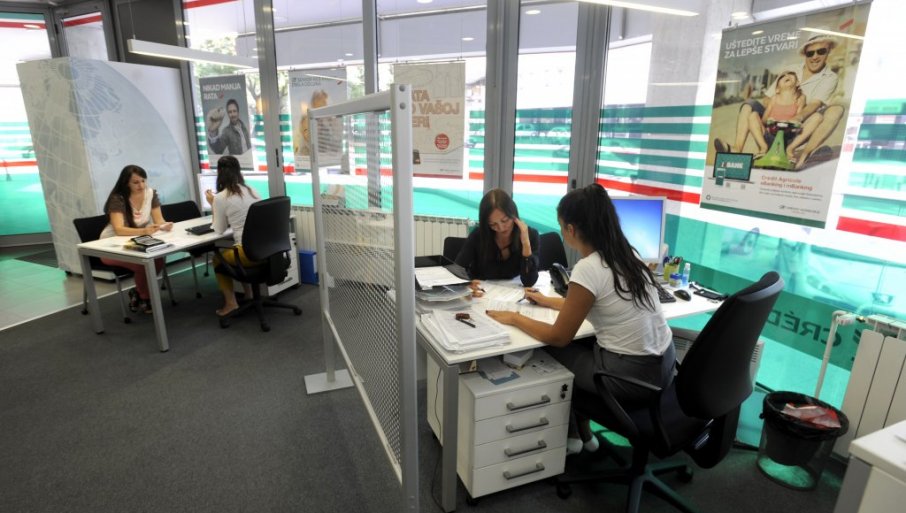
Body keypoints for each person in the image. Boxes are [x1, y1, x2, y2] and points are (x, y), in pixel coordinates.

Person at [486, 184, 674, 454]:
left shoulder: (588, 267)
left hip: (629, 378)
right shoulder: (628, 254)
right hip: (663, 367)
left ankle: (570, 434)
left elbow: (558, 337)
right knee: (585, 343)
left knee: (548, 349)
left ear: (571, 229)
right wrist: (547, 300)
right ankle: (583, 434)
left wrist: (515, 318)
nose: (562, 233)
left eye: (562, 227)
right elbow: (591, 302)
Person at [716, 34, 843, 169]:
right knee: (749, 105)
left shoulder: (830, 77)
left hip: (798, 130)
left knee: (836, 110)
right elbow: (768, 97)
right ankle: (737, 150)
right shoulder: (791, 70)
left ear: (828, 50)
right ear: (805, 54)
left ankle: (804, 157)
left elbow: (815, 104)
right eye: (810, 53)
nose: (815, 56)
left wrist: (796, 117)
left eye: (821, 51)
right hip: (773, 126)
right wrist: (777, 111)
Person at [99, 165, 174, 314]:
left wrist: (164, 225)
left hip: (136, 241)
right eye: (136, 182)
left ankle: (138, 293)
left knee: (157, 259)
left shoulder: (150, 193)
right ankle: (145, 298)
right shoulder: (118, 198)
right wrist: (144, 231)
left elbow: (159, 219)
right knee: (143, 264)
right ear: (126, 183)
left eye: (143, 181)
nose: (141, 185)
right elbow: (119, 229)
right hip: (110, 246)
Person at [204, 155, 261, 317]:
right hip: (267, 250)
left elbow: (219, 229)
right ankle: (248, 294)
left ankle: (231, 303)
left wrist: (213, 204)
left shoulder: (221, 197)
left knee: (217, 259)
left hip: (247, 253)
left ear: (219, 173)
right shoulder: (252, 190)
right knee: (234, 248)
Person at [453, 188, 540, 291]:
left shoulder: (530, 235)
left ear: (513, 214)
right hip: (481, 293)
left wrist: (526, 244)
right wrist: (467, 285)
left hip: (513, 294)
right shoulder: (478, 235)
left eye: (505, 220)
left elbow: (529, 282)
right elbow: (457, 271)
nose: (501, 228)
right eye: (492, 224)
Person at [733, 71, 806, 158]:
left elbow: (798, 119)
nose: (787, 76)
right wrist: (770, 121)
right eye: (782, 76)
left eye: (791, 75)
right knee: (753, 115)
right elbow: (764, 119)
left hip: (787, 138)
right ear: (777, 89)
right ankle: (763, 148)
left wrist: (791, 124)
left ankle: (788, 151)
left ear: (797, 83)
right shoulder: (774, 98)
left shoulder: (800, 98)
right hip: (771, 136)